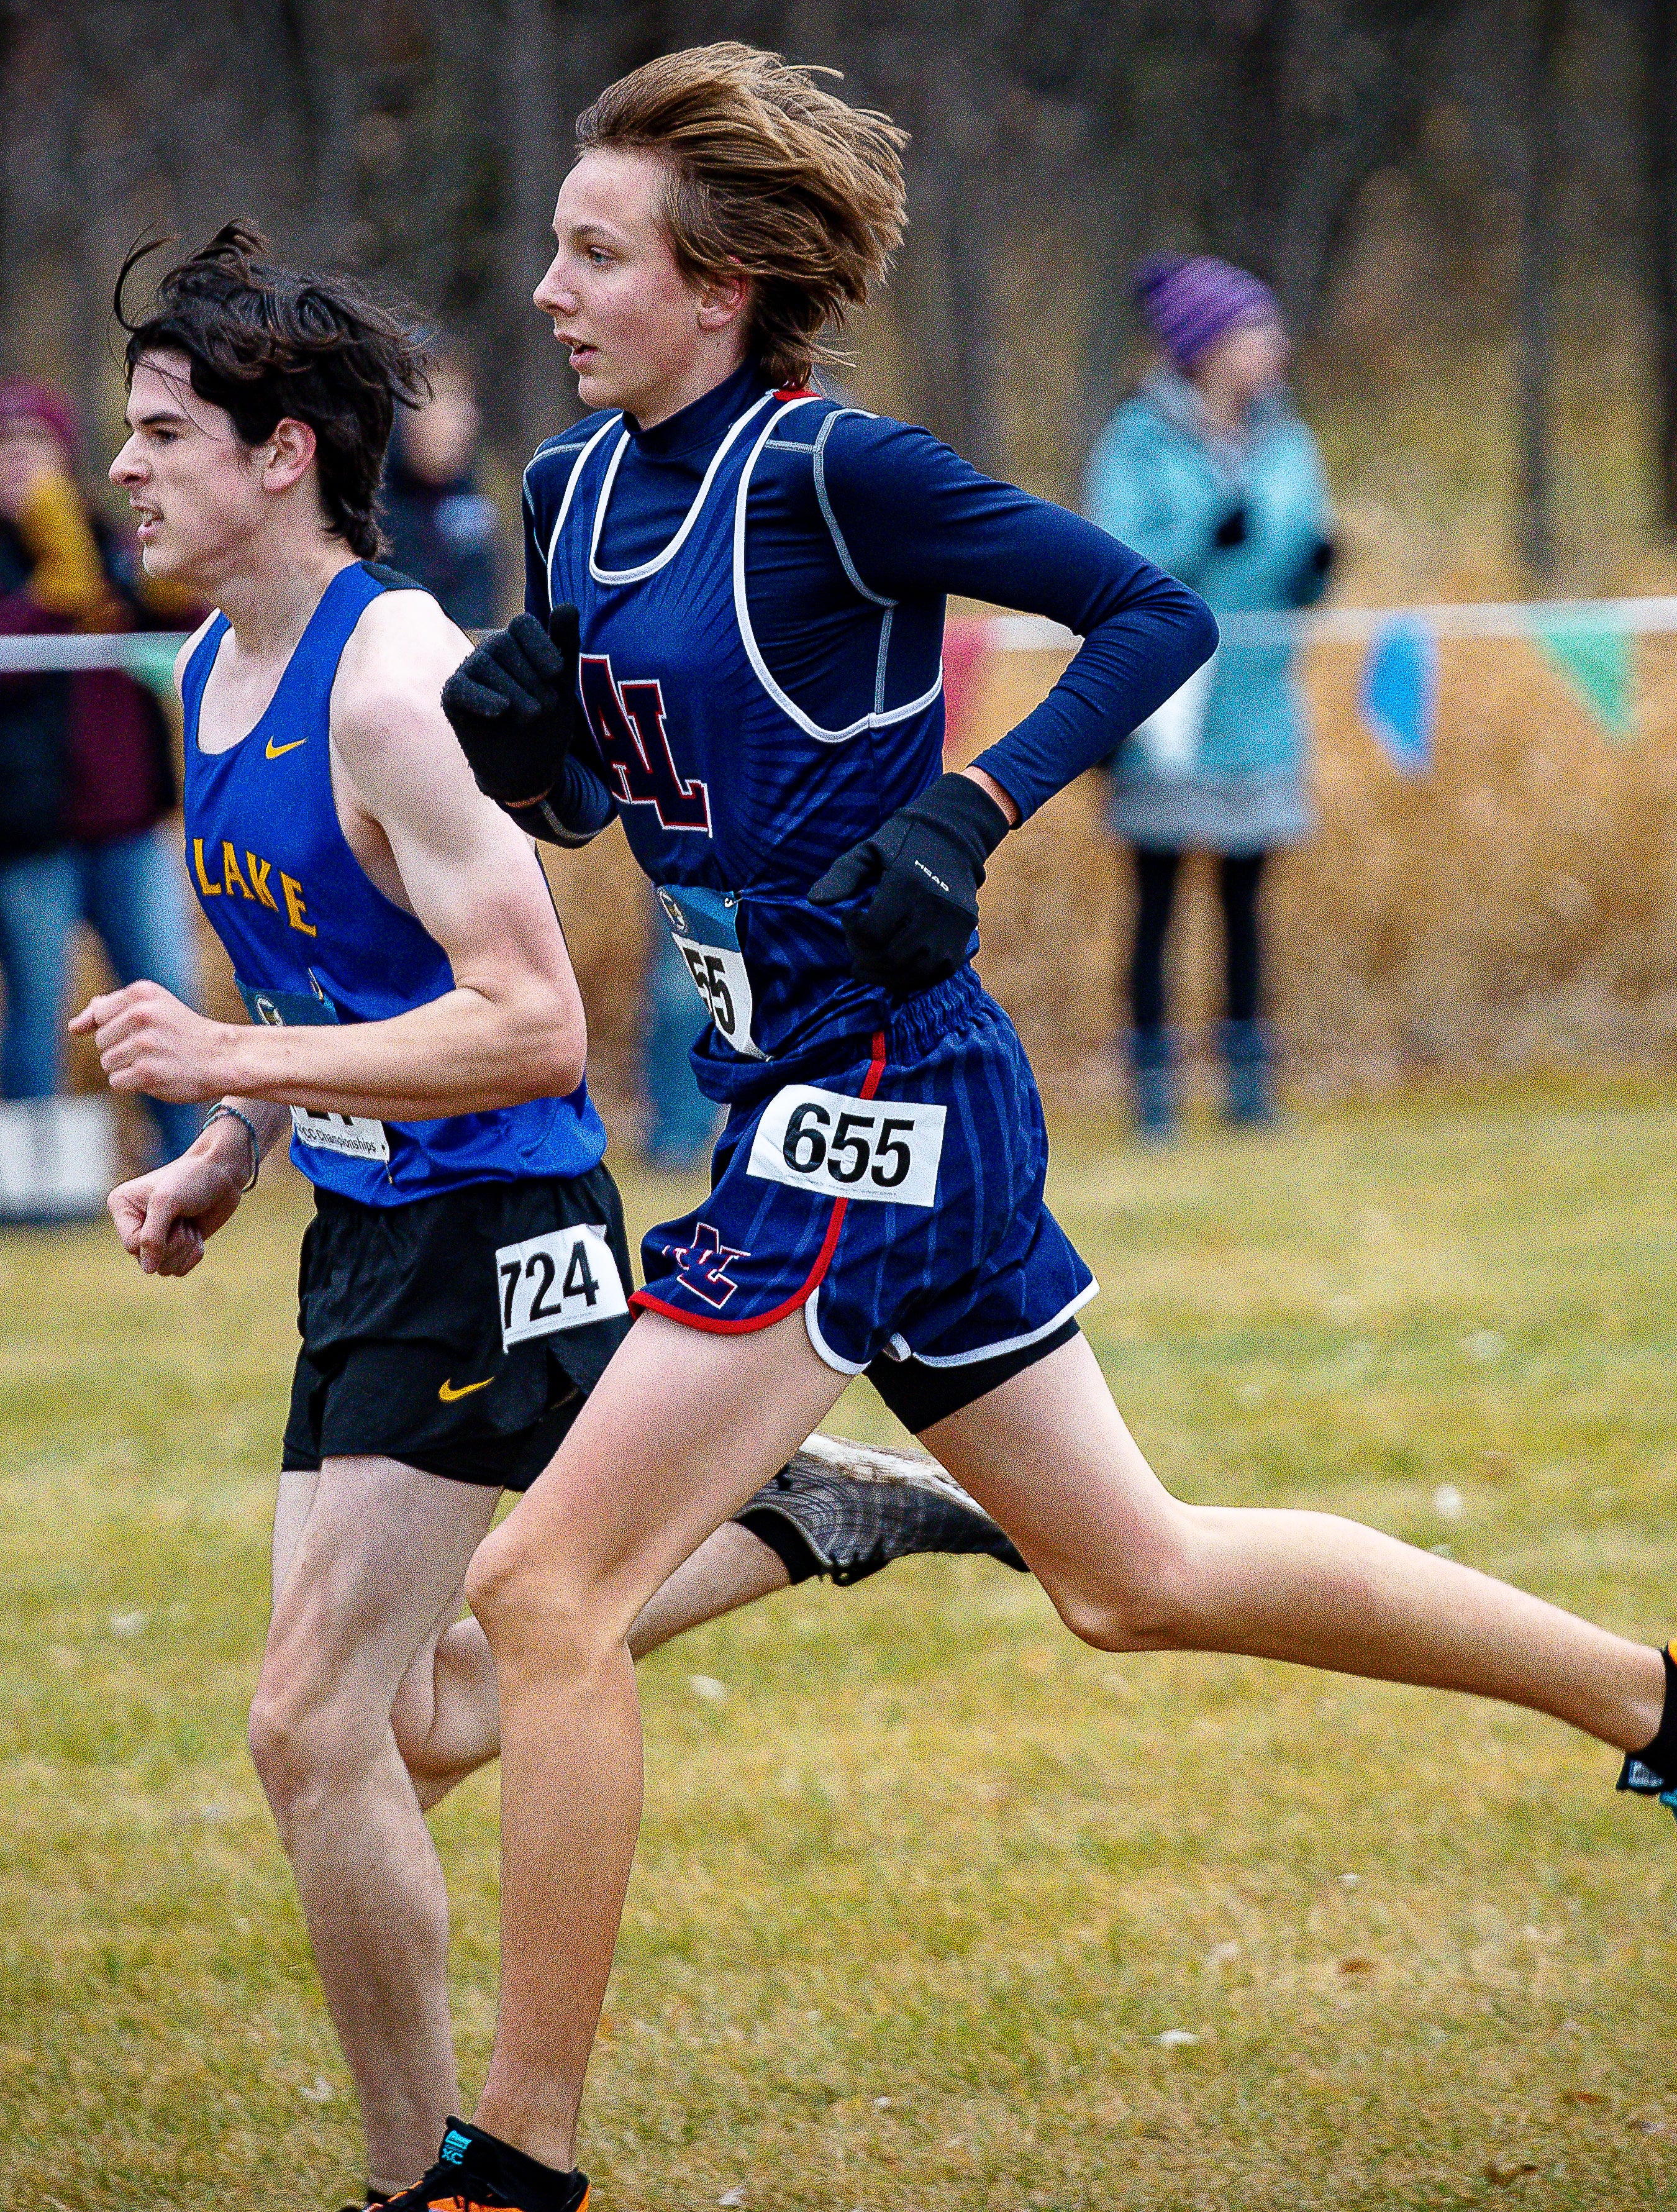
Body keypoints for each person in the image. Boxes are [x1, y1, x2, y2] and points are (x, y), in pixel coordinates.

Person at [411, 44, 1677, 2212]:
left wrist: (969, 807)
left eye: (593, 252)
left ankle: (516, 2158)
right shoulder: (574, 498)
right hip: (794, 1084)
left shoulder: (835, 472)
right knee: (1132, 1578)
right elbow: (651, 793)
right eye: (558, 245)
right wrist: (544, 759)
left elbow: (1159, 611)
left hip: (881, 1092)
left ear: (723, 284)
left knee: (541, 1583)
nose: (545, 290)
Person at [59, 222, 1020, 2209]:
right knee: (393, 1735)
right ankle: (787, 1516)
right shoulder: (200, 669)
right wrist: (228, 1156)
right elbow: (324, 985)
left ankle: (444, 2188)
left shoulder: (394, 684)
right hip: (365, 1235)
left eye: (163, 432)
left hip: (497, 1228)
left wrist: (223, 1076)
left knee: (310, 1728)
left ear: (283, 456)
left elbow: (528, 1022)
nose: (125, 467)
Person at [1085, 253, 1334, 1133]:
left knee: (1245, 901)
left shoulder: (1291, 440)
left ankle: (1249, 1087)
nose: (1277, 347)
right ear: (1207, 348)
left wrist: (1312, 571)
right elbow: (1112, 563)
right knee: (1155, 899)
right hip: (1168, 710)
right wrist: (1200, 532)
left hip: (1261, 703)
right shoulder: (1136, 441)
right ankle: (1153, 1095)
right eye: (1256, 332)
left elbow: (1295, 556)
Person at [0, 380, 204, 1163]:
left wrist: (142, 578)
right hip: (21, 830)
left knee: (164, 991)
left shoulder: (118, 540)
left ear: (67, 457)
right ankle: (30, 1178)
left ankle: (195, 1159)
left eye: (35, 444)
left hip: (125, 821)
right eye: (0, 448)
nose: (18, 462)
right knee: (36, 1003)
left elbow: (183, 621)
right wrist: (55, 590)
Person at [376, 349, 500, 630]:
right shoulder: (366, 510)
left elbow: (479, 620)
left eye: (464, 402)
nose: (459, 423)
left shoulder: (470, 505)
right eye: (440, 401)